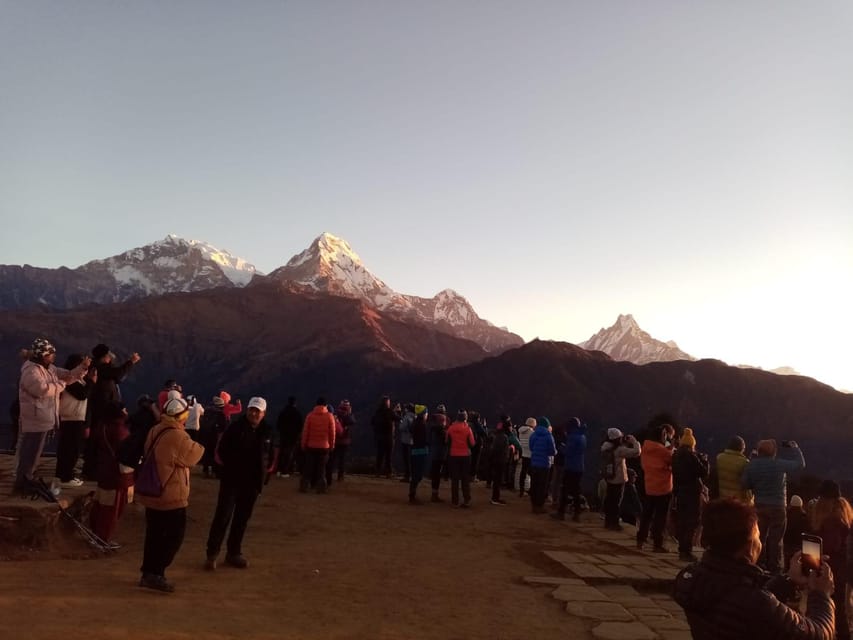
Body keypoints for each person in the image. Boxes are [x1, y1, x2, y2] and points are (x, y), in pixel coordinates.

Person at [674, 498, 835, 640]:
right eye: (758, 536)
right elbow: (817, 634)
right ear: (748, 545)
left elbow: (738, 594)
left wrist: (788, 580)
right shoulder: (756, 605)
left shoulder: (692, 577)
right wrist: (821, 595)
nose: (760, 542)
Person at [137, 394, 204, 592]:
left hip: (152, 493)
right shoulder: (177, 436)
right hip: (171, 495)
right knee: (174, 536)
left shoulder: (155, 430)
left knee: (154, 535)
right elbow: (196, 453)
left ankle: (148, 572)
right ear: (182, 416)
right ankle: (157, 573)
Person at [205, 397, 278, 570]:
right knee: (222, 517)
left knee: (241, 519)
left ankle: (233, 553)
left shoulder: (267, 431)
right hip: (232, 480)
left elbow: (270, 456)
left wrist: (263, 477)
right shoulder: (236, 428)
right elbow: (222, 450)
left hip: (252, 483)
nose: (254, 413)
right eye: (252, 409)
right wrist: (231, 468)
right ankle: (212, 554)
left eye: (257, 411)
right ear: (247, 410)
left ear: (263, 413)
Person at [16, 338, 90, 493]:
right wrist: (61, 385)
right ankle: (23, 481)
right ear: (43, 355)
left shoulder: (50, 368)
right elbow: (41, 390)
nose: (53, 356)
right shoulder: (31, 371)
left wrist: (82, 368)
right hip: (34, 418)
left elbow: (69, 375)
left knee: (35, 452)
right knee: (30, 451)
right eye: (51, 354)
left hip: (43, 417)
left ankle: (28, 478)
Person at [742, 438, 806, 573]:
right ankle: (774, 567)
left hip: (759, 505)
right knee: (776, 539)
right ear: (774, 452)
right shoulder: (779, 464)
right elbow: (800, 465)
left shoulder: (752, 465)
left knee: (760, 536)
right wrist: (795, 448)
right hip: (778, 506)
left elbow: (745, 485)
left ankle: (759, 564)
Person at [84, 344, 140, 479]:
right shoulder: (99, 368)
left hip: (102, 408)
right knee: (99, 439)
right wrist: (130, 362)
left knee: (99, 439)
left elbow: (117, 376)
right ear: (104, 357)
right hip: (102, 409)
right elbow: (118, 374)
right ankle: (93, 470)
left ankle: (94, 469)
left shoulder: (100, 368)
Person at [810, 480, 852, 639]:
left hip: (827, 573)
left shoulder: (830, 522)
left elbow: (829, 547)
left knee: (820, 613)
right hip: (840, 573)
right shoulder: (843, 518)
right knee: (840, 614)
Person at [89, 401, 134, 546]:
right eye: (125, 409)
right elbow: (126, 454)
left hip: (104, 471)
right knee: (111, 510)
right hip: (116, 476)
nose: (127, 411)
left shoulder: (102, 426)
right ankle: (103, 539)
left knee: (100, 506)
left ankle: (94, 534)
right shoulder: (120, 430)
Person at [55, 354, 96, 487]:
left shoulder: (77, 379)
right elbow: (82, 395)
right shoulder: (69, 380)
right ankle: (65, 477)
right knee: (71, 449)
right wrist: (91, 382)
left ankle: (64, 474)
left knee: (71, 448)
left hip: (75, 416)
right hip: (71, 417)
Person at [672, 427, 710, 561]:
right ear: (691, 444)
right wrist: (704, 460)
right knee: (692, 521)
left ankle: (681, 547)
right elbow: (704, 472)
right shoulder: (691, 456)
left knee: (682, 520)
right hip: (692, 492)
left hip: (679, 491)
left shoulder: (675, 456)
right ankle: (686, 551)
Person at [636, 423, 675, 551]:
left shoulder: (646, 448)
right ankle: (657, 544)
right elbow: (672, 458)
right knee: (660, 517)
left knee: (646, 515)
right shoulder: (663, 450)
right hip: (663, 487)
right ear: (662, 436)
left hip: (649, 486)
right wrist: (671, 444)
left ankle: (640, 539)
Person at [600, 428, 641, 530]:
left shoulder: (605, 447)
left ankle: (608, 521)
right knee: (616, 502)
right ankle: (614, 523)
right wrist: (634, 441)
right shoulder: (619, 450)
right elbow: (637, 452)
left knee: (609, 500)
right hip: (618, 479)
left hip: (609, 477)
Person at [552, 417, 587, 522]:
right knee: (576, 490)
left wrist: (560, 447)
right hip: (579, 467)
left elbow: (568, 452)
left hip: (570, 466)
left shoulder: (572, 437)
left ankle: (561, 512)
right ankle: (577, 514)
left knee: (565, 489)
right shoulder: (582, 436)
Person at [299, 397, 336, 493]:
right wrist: (332, 446)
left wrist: (303, 444)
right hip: (324, 447)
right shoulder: (329, 416)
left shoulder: (310, 416)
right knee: (321, 468)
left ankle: (304, 486)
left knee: (308, 468)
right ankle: (321, 488)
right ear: (325, 405)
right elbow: (332, 433)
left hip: (311, 446)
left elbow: (305, 432)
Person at [446, 410, 476, 508]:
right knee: (465, 479)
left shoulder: (451, 428)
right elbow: (472, 443)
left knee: (454, 479)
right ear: (465, 418)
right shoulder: (468, 429)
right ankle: (466, 500)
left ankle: (455, 501)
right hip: (465, 456)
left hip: (453, 455)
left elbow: (446, 441)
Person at [528, 417, 557, 514]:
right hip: (544, 464)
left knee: (534, 484)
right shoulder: (549, 436)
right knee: (542, 485)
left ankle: (533, 504)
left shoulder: (533, 434)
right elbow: (552, 451)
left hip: (534, 462)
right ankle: (539, 506)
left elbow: (531, 447)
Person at [716, 436, 753, 503]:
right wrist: (749, 501)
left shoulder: (719, 458)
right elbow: (746, 486)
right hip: (737, 501)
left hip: (721, 499)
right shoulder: (744, 462)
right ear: (741, 448)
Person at [199, 395, 227, 478]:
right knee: (214, 454)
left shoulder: (206, 411)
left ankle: (205, 470)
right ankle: (215, 471)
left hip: (204, 435)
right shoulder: (221, 414)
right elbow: (223, 427)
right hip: (214, 436)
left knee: (206, 452)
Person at [276, 396, 303, 477]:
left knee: (281, 452)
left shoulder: (283, 412)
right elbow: (300, 426)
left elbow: (278, 424)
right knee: (289, 453)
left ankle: (279, 470)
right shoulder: (297, 413)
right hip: (293, 436)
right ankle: (286, 471)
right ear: (295, 403)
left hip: (283, 435)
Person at [328, 400, 354, 483]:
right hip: (345, 441)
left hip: (336, 440)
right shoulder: (348, 415)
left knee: (333, 458)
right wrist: (350, 413)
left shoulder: (336, 414)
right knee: (342, 459)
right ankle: (340, 476)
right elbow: (353, 422)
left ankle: (329, 475)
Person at [408, 405, 429, 504]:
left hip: (414, 450)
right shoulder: (422, 425)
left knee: (415, 473)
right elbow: (424, 439)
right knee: (418, 474)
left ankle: (412, 494)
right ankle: (412, 496)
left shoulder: (415, 423)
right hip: (420, 450)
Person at [488, 417, 512, 505]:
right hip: (499, 460)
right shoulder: (503, 437)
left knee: (497, 480)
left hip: (497, 460)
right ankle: (495, 498)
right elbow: (497, 449)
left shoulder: (499, 435)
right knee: (497, 480)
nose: (511, 428)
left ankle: (495, 497)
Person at [428, 403, 449, 502]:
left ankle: (434, 493)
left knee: (435, 473)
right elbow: (446, 441)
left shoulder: (432, 427)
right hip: (442, 453)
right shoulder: (445, 429)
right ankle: (435, 495)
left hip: (433, 452)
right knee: (438, 473)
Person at [371, 396, 395, 478]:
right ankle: (388, 473)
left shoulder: (377, 412)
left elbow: (372, 421)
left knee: (380, 455)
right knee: (388, 456)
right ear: (387, 403)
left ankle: (378, 472)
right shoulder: (390, 412)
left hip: (379, 437)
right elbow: (398, 418)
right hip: (388, 437)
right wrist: (398, 412)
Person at [784, 495, 810, 571]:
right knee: (798, 567)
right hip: (799, 546)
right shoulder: (804, 517)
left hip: (787, 545)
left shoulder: (785, 515)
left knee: (787, 567)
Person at [517, 417, 535, 497]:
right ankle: (531, 490)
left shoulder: (521, 432)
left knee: (523, 473)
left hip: (524, 453)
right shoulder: (532, 432)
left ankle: (521, 490)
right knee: (532, 473)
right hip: (531, 455)